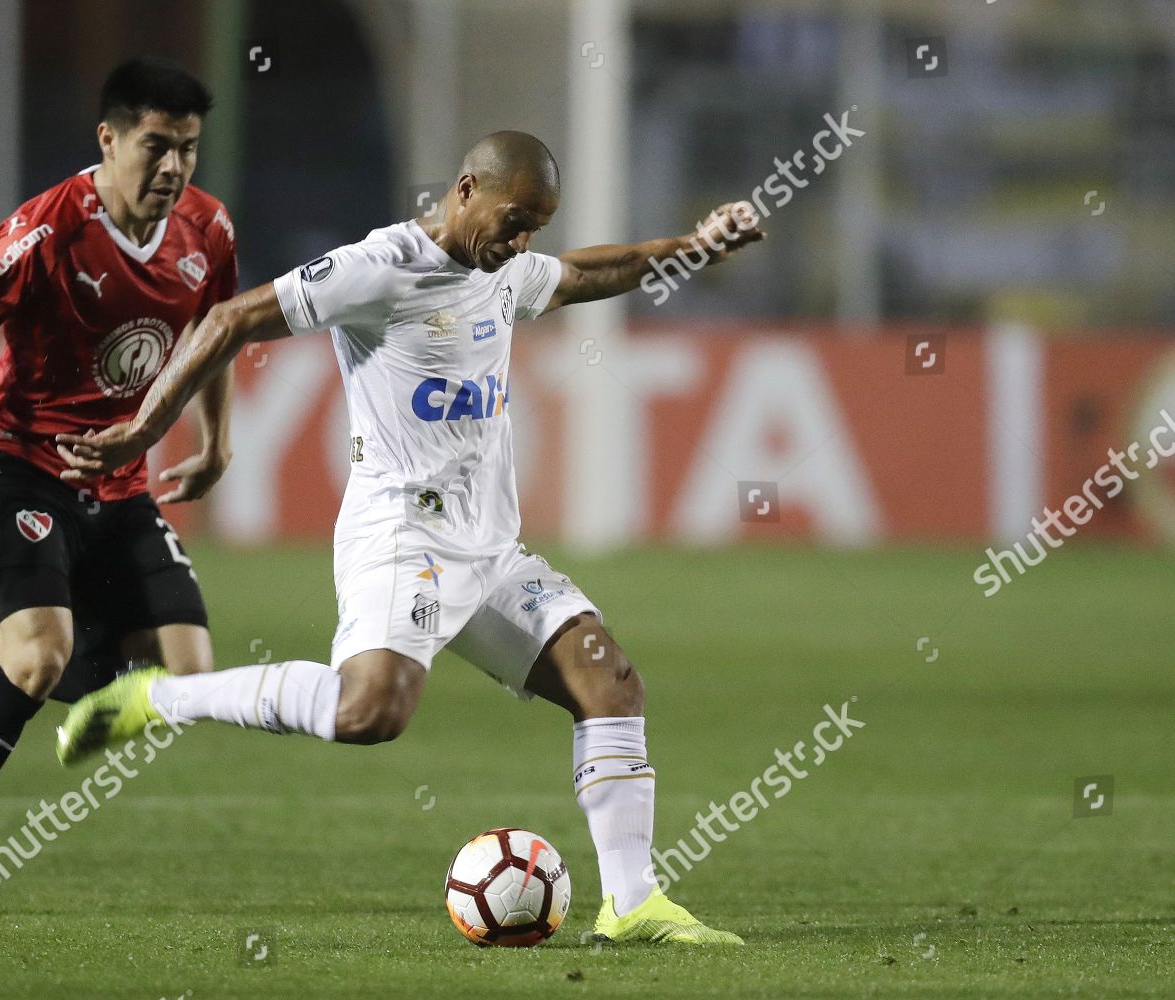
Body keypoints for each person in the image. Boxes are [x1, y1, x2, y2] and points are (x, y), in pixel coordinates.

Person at [53, 131, 763, 944]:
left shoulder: (499, 271)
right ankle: (158, 697)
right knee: (370, 713)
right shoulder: (379, 266)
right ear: (466, 189)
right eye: (515, 219)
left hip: (490, 547)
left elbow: (588, 273)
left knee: (611, 684)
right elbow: (230, 318)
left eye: (536, 227)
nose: (523, 241)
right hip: (402, 536)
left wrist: (695, 248)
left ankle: (633, 903)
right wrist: (148, 429)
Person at [0, 56, 238, 917]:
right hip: (18, 467)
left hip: (117, 484)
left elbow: (216, 333)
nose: (172, 169)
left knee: (182, 679)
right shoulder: (47, 230)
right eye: (155, 146)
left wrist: (218, 442)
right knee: (43, 653)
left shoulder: (209, 229)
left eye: (188, 150)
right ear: (108, 138)